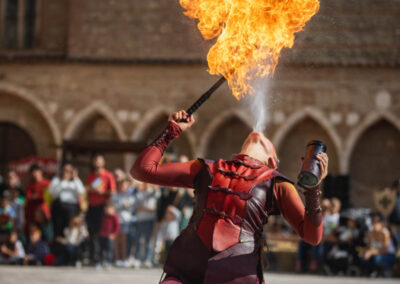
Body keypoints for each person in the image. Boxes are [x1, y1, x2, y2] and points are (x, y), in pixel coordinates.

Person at [131, 110, 328, 284]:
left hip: (236, 274)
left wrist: (313, 190)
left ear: (271, 162)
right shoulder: (207, 168)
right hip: (185, 273)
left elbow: (312, 236)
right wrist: (170, 132)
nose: (260, 135)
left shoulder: (276, 184)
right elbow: (142, 170)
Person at [86, 154, 116, 265]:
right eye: (95, 160)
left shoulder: (108, 175)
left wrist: (102, 192)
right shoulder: (91, 176)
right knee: (92, 232)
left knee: (101, 232)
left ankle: (102, 257)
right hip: (91, 206)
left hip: (102, 207)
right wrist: (91, 188)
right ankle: (94, 257)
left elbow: (113, 191)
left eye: (99, 161)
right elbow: (87, 188)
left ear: (103, 163)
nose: (97, 163)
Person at [50, 163, 85, 238]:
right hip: (58, 207)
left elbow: (81, 191)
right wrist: (63, 181)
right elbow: (53, 193)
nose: (66, 173)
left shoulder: (75, 181)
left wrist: (75, 178)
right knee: (58, 228)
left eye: (69, 171)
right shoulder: (56, 180)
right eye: (65, 170)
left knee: (70, 229)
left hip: (71, 208)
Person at [133, 182, 158, 268]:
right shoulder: (139, 193)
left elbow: (153, 208)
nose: (146, 185)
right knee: (138, 240)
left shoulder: (153, 192)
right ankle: (137, 259)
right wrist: (147, 208)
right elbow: (136, 207)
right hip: (140, 219)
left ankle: (148, 259)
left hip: (149, 220)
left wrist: (144, 208)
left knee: (148, 241)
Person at [363, 213, 397, 277]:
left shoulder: (385, 233)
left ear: (382, 223)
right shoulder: (370, 233)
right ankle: (375, 271)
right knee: (364, 258)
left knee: (378, 258)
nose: (375, 224)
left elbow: (384, 250)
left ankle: (388, 270)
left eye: (377, 222)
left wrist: (371, 252)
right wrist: (368, 252)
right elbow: (368, 248)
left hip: (389, 256)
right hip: (376, 254)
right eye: (373, 222)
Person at [112, 178, 135, 267]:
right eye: (122, 185)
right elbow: (112, 207)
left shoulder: (130, 196)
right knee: (116, 240)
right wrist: (122, 205)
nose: (123, 187)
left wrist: (125, 206)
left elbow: (132, 207)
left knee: (124, 240)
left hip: (126, 220)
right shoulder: (115, 195)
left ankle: (124, 258)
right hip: (116, 220)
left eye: (125, 186)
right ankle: (117, 259)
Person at [25, 164, 51, 233]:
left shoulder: (47, 184)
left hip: (44, 214)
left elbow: (47, 198)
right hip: (32, 216)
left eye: (36, 171)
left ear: (41, 172)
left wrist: (36, 196)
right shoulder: (30, 185)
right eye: (32, 172)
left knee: (47, 235)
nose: (34, 174)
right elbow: (28, 197)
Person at [98, 202, 120, 269]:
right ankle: (100, 262)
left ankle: (109, 262)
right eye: (107, 209)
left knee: (109, 250)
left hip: (110, 236)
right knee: (101, 250)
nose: (108, 211)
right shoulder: (103, 216)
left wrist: (114, 234)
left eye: (110, 209)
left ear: (113, 210)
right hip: (102, 235)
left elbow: (117, 227)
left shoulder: (114, 217)